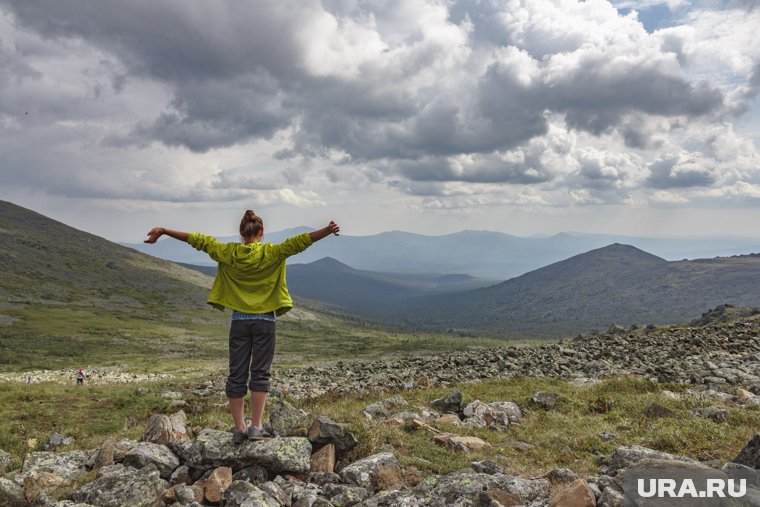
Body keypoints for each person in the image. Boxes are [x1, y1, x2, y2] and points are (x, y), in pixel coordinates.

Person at [144, 211, 340, 443]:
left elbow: (198, 240)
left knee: (237, 374)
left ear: (241, 233)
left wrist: (165, 230)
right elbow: (300, 242)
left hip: (239, 321)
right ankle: (256, 427)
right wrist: (327, 231)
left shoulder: (229, 252)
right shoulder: (273, 252)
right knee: (260, 373)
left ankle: (239, 428)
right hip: (265, 321)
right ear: (262, 232)